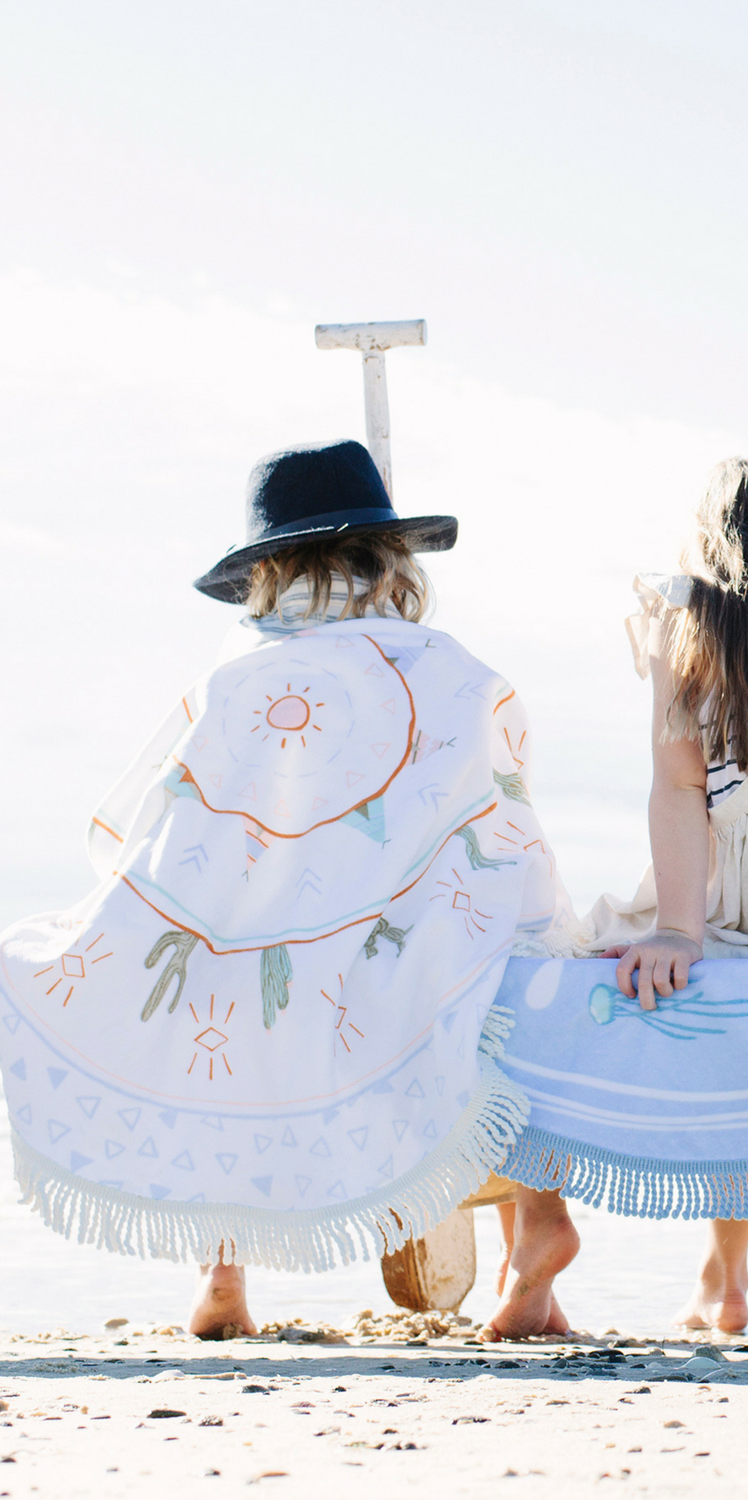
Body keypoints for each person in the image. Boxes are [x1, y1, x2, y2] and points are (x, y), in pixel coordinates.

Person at [0, 440, 569, 1338]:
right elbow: (501, 808)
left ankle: (222, 1277)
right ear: (389, 560)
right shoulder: (449, 668)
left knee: (203, 1000)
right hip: (411, 937)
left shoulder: (237, 675)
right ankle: (537, 1231)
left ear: (266, 572)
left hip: (266, 949)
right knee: (505, 970)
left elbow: (164, 821)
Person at [490, 457, 748, 1336]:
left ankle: (544, 1220)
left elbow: (678, 792)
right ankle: (726, 1276)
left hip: (716, 918)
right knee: (738, 1062)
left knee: (532, 983)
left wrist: (677, 930)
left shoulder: (692, 642)